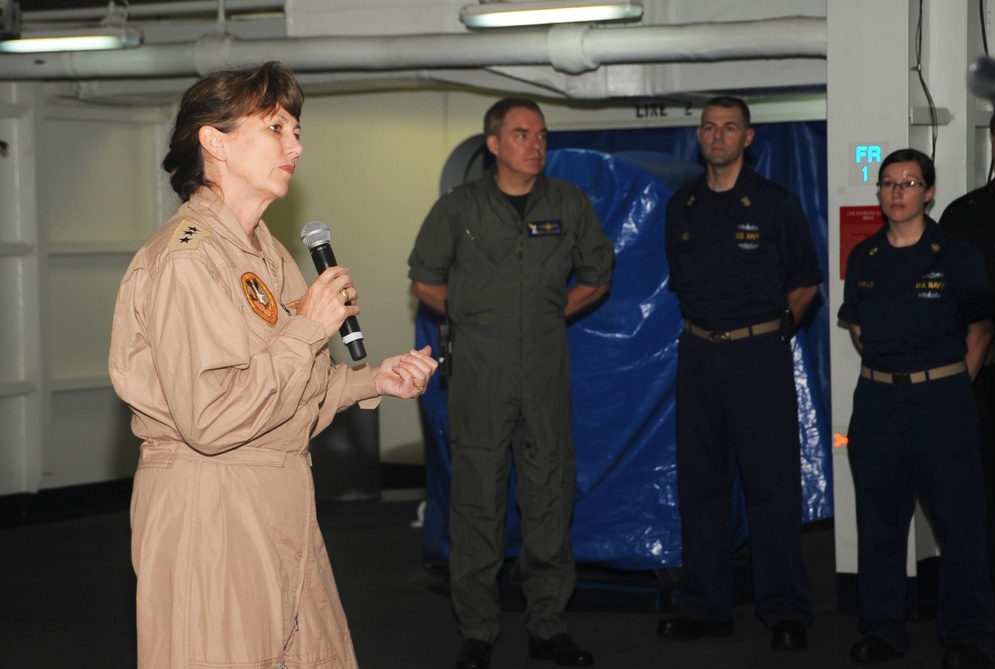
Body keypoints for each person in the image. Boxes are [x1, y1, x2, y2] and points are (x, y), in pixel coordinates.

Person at [108, 61, 438, 669]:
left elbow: (279, 392)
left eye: (296, 129)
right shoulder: (186, 261)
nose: (297, 145)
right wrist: (309, 327)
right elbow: (212, 419)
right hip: (212, 505)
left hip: (279, 494)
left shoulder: (269, 254)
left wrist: (370, 380)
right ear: (215, 142)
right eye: (277, 129)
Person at [408, 97, 615, 669]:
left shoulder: (568, 204)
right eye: (523, 134)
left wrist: (550, 312)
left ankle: (548, 626)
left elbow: (598, 275)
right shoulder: (459, 208)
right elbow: (424, 280)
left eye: (542, 134)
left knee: (549, 495)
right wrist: (475, 316)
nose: (536, 144)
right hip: (480, 373)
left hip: (545, 372)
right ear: (494, 144)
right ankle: (477, 629)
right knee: (477, 499)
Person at [659, 96, 819, 651]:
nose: (718, 135)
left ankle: (786, 612)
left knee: (771, 489)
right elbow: (680, 281)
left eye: (729, 127)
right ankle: (706, 608)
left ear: (748, 138)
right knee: (700, 488)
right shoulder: (681, 206)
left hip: (758, 360)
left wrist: (777, 335)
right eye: (709, 127)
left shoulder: (777, 204)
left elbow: (805, 283)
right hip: (699, 357)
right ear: (699, 137)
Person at [840, 148, 995, 668]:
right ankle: (884, 629)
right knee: (880, 521)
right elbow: (861, 331)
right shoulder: (864, 259)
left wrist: (948, 383)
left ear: (929, 192)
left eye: (909, 183)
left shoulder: (956, 254)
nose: (897, 192)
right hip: (879, 403)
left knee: (959, 524)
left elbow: (979, 329)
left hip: (942, 401)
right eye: (888, 183)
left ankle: (969, 635)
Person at [939, 110, 995, 624]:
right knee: (984, 496)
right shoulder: (964, 215)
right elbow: (951, 308)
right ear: (993, 141)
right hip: (986, 377)